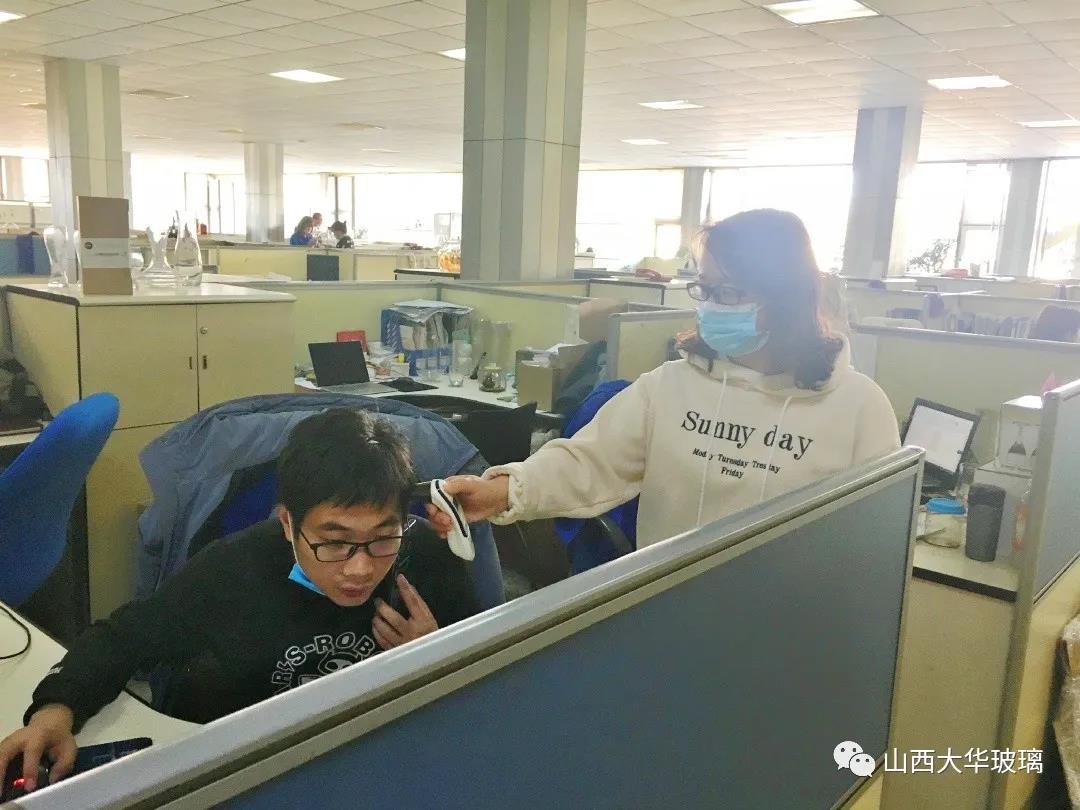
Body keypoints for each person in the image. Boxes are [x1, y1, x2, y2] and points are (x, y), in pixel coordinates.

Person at [0, 409, 477, 791]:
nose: (361, 569)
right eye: (334, 542)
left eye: (382, 536)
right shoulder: (234, 568)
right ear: (288, 523)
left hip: (373, 758)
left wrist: (436, 653)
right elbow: (123, 638)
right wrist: (55, 711)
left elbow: (479, 682)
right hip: (252, 769)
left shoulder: (426, 559)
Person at [429, 209, 901, 548]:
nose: (711, 305)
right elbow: (589, 461)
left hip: (783, 631)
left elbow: (874, 545)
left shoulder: (858, 408)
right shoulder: (671, 386)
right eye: (705, 289)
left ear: (787, 296)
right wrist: (503, 491)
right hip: (668, 610)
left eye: (729, 292)